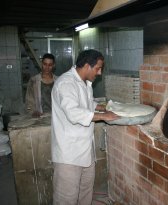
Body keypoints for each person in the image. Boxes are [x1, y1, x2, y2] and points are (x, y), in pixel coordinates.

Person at [51, 49, 119, 205]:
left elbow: (85, 104)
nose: (100, 73)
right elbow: (74, 113)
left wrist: (101, 107)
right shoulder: (66, 83)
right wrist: (103, 116)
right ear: (87, 66)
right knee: (66, 198)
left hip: (85, 151)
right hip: (69, 154)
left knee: (85, 193)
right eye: (98, 68)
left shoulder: (85, 82)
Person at [25, 53, 58, 117]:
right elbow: (29, 101)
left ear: (54, 65)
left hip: (56, 116)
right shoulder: (34, 81)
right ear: (41, 64)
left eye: (50, 65)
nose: (47, 67)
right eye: (45, 64)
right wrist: (33, 112)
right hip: (40, 116)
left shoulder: (58, 81)